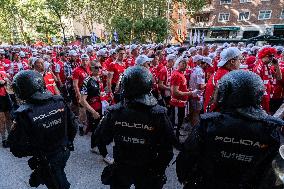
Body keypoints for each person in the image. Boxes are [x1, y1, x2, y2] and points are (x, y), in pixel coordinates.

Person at [176, 70, 284, 189]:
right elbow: (278, 175)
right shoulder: (271, 130)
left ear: (226, 93)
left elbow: (185, 160)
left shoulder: (208, 124)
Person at [94, 66, 176, 189]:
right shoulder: (159, 114)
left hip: (123, 165)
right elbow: (168, 148)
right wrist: (159, 169)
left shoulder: (115, 112)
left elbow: (100, 138)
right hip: (148, 167)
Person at [8, 70, 77, 189]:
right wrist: (64, 142)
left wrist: (37, 150)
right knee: (57, 173)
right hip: (64, 151)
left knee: (58, 183)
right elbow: (73, 127)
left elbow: (17, 149)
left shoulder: (23, 114)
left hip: (45, 159)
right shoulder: (59, 101)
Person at [80, 60, 114, 164]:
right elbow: (82, 100)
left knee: (96, 129)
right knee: (100, 132)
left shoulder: (98, 79)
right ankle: (105, 155)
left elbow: (102, 92)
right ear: (91, 69)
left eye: (100, 67)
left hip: (101, 108)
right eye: (96, 68)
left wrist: (109, 87)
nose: (99, 69)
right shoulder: (87, 81)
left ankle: (94, 146)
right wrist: (93, 112)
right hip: (94, 110)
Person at [204, 47, 241, 112]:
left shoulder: (221, 72)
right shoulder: (226, 76)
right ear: (232, 61)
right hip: (218, 116)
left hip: (214, 114)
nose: (240, 62)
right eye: (239, 60)